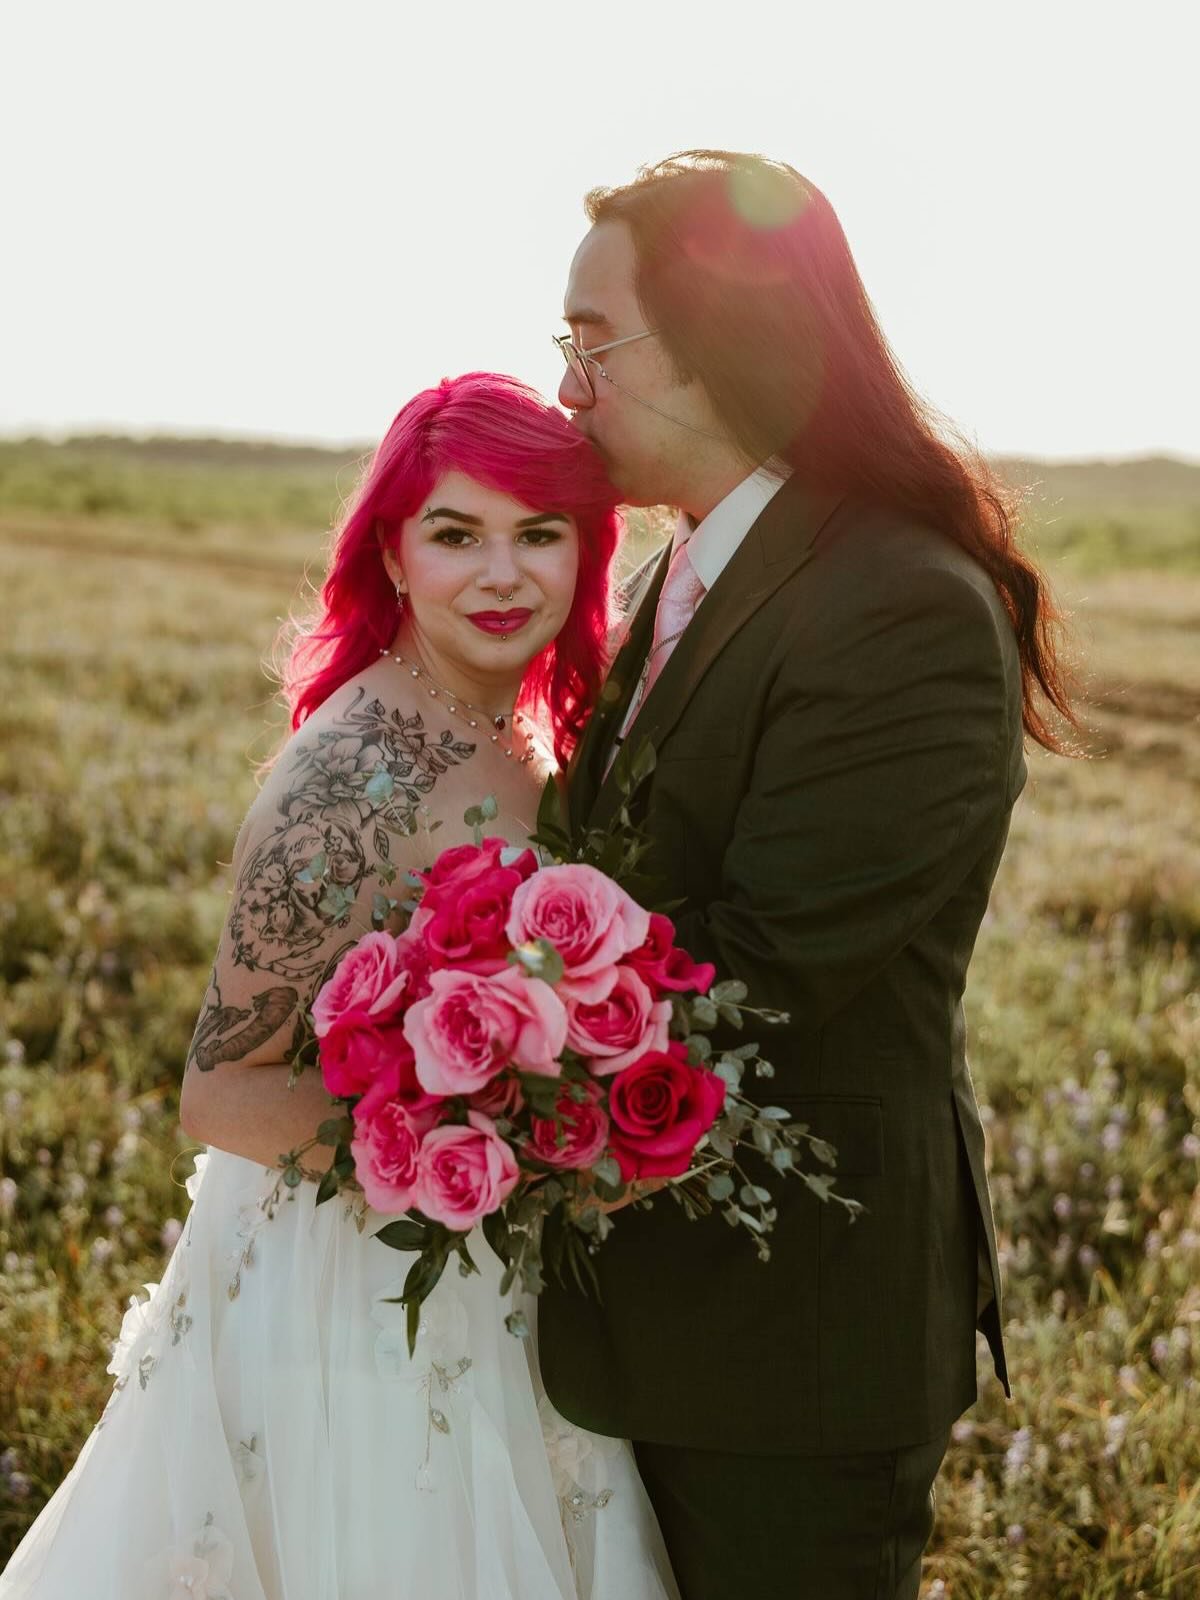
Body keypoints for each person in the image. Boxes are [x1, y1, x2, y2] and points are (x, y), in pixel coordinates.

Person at [0, 374, 680, 1600]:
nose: (503, 575)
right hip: (356, 1295)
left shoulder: (521, 725)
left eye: (540, 534)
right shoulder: (354, 771)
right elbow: (218, 1091)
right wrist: (478, 1144)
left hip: (480, 1264)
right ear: (394, 552)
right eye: (456, 533)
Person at [537, 151, 1076, 1600]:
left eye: (595, 342)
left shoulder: (896, 598)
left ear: (723, 345)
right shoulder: (676, 572)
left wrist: (492, 1052)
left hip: (794, 1349)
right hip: (638, 1315)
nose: (567, 387)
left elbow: (765, 972)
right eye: (563, 343)